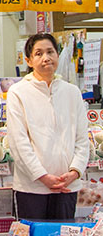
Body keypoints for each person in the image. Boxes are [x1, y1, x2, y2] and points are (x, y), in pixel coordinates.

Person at [7, 32, 89, 221]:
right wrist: (42, 176)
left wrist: (75, 171)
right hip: (32, 188)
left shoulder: (72, 92)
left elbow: (82, 139)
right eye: (38, 53)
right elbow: (19, 142)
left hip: (67, 186)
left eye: (50, 52)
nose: (46, 58)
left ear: (58, 56)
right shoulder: (18, 92)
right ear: (28, 60)